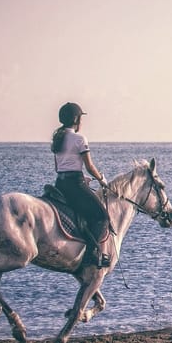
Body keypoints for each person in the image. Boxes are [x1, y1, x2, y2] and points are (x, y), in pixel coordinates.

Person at [51, 102, 111, 268]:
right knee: (102, 217)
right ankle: (92, 255)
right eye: (81, 119)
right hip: (75, 185)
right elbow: (90, 166)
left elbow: (59, 167)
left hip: (60, 183)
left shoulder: (58, 137)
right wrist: (101, 179)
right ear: (76, 119)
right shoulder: (79, 139)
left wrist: (81, 175)